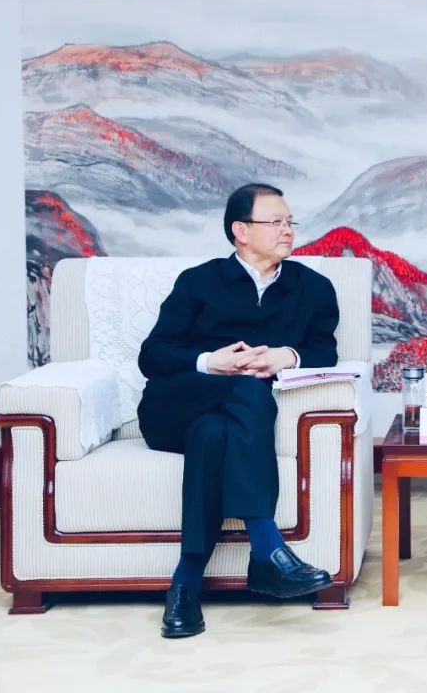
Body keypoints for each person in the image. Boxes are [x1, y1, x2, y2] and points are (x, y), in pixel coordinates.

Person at [138, 183, 340, 638]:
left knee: (213, 433)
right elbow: (152, 355)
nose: (288, 230)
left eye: (290, 222)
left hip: (229, 421)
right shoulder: (198, 282)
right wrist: (211, 362)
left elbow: (324, 351)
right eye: (276, 222)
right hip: (175, 408)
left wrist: (286, 356)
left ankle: (185, 584)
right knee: (246, 391)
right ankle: (267, 548)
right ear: (241, 231)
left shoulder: (313, 288)